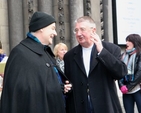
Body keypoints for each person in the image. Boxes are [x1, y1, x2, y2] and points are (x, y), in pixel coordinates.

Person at [0, 11, 72, 113]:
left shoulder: (45, 52)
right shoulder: (20, 53)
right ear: (41, 28)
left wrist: (61, 87)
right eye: (52, 28)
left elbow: (44, 82)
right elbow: (20, 92)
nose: (55, 33)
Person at [63, 16, 127, 113]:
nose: (78, 33)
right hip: (80, 107)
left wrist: (101, 51)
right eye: (76, 30)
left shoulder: (111, 49)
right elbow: (68, 81)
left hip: (105, 105)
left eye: (82, 29)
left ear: (93, 31)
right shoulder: (69, 56)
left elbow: (120, 72)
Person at [118, 34, 141, 113]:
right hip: (126, 91)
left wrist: (129, 86)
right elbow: (119, 71)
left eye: (129, 41)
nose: (126, 43)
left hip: (138, 89)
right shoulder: (123, 56)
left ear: (135, 42)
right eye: (126, 41)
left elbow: (139, 72)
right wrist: (121, 85)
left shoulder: (139, 54)